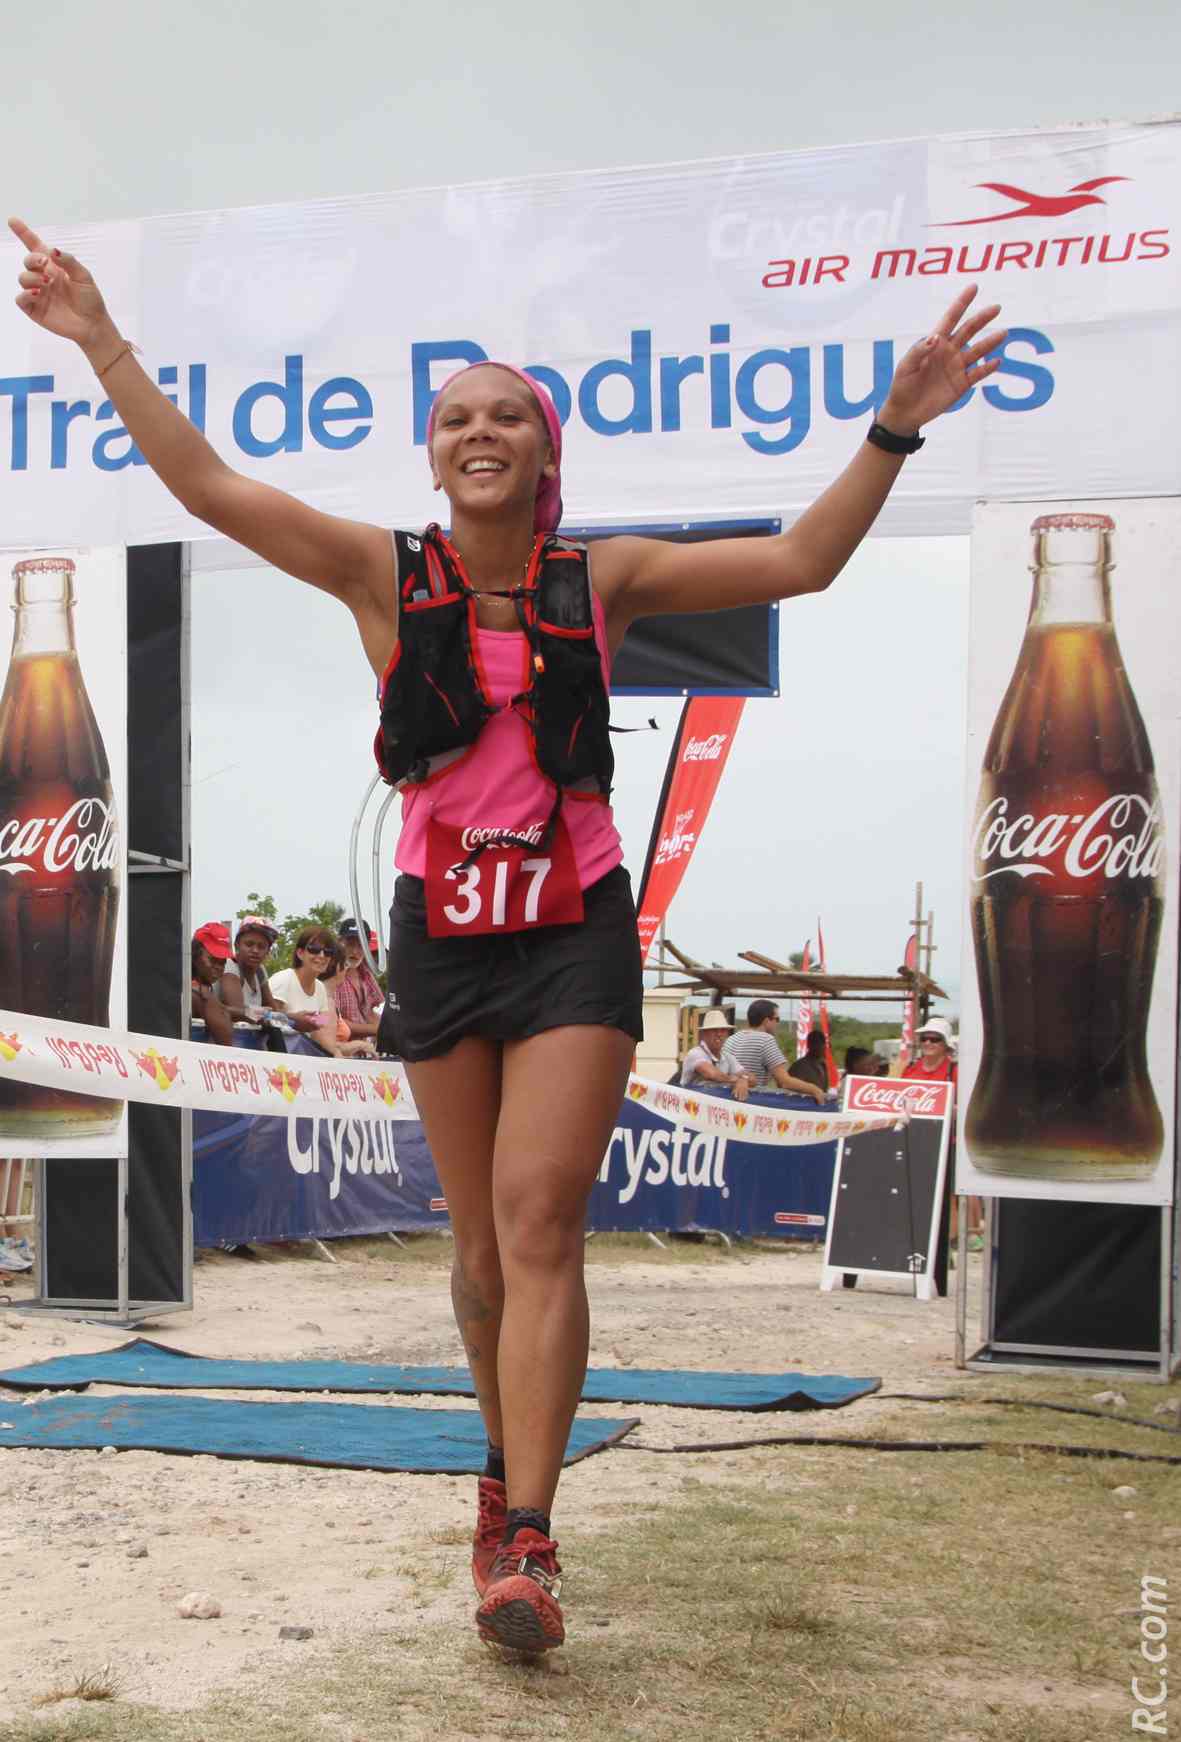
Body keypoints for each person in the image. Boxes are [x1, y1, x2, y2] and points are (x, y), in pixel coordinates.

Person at [8, 217, 1004, 1655]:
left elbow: (800, 562)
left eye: (507, 417)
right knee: (476, 1256)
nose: (481, 432)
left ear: (545, 454)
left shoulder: (599, 582)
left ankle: (528, 1532)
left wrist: (892, 429)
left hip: (574, 928)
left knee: (540, 1217)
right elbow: (214, 487)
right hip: (441, 937)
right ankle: (501, 1487)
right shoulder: (376, 572)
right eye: (455, 417)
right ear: (432, 456)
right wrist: (101, 339)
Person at [722, 1001, 827, 1103]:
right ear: (766, 1021)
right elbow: (784, 1082)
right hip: (750, 1103)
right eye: (777, 1019)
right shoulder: (766, 1040)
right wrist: (815, 1089)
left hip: (728, 1101)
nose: (778, 1023)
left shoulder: (731, 1039)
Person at [219, 915, 282, 1022]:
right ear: (237, 945)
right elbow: (239, 1013)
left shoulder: (260, 971)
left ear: (267, 951)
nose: (255, 950)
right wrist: (265, 1014)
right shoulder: (230, 967)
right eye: (249, 944)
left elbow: (274, 1012)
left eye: (261, 947)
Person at [331, 917, 383, 1045]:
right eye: (350, 944)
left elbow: (369, 1012)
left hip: (362, 1051)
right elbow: (335, 1021)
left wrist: (392, 1027)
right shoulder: (330, 973)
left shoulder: (365, 973)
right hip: (337, 1051)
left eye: (361, 945)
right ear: (339, 942)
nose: (355, 951)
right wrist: (379, 1030)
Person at [679, 1010, 753, 1100]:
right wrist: (738, 1080)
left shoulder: (728, 1057)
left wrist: (744, 1079)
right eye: (714, 1030)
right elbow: (711, 1074)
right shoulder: (695, 1053)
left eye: (723, 1030)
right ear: (704, 1034)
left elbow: (753, 1079)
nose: (719, 1034)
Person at [191, 923, 235, 1046]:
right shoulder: (199, 993)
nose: (218, 967)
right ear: (195, 955)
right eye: (213, 959)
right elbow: (226, 1041)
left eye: (222, 962)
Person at [791, 1028, 831, 1093]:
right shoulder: (799, 1066)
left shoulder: (823, 1065)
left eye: (821, 1044)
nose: (819, 1047)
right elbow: (791, 1089)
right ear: (809, 1045)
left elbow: (824, 1091)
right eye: (816, 1044)